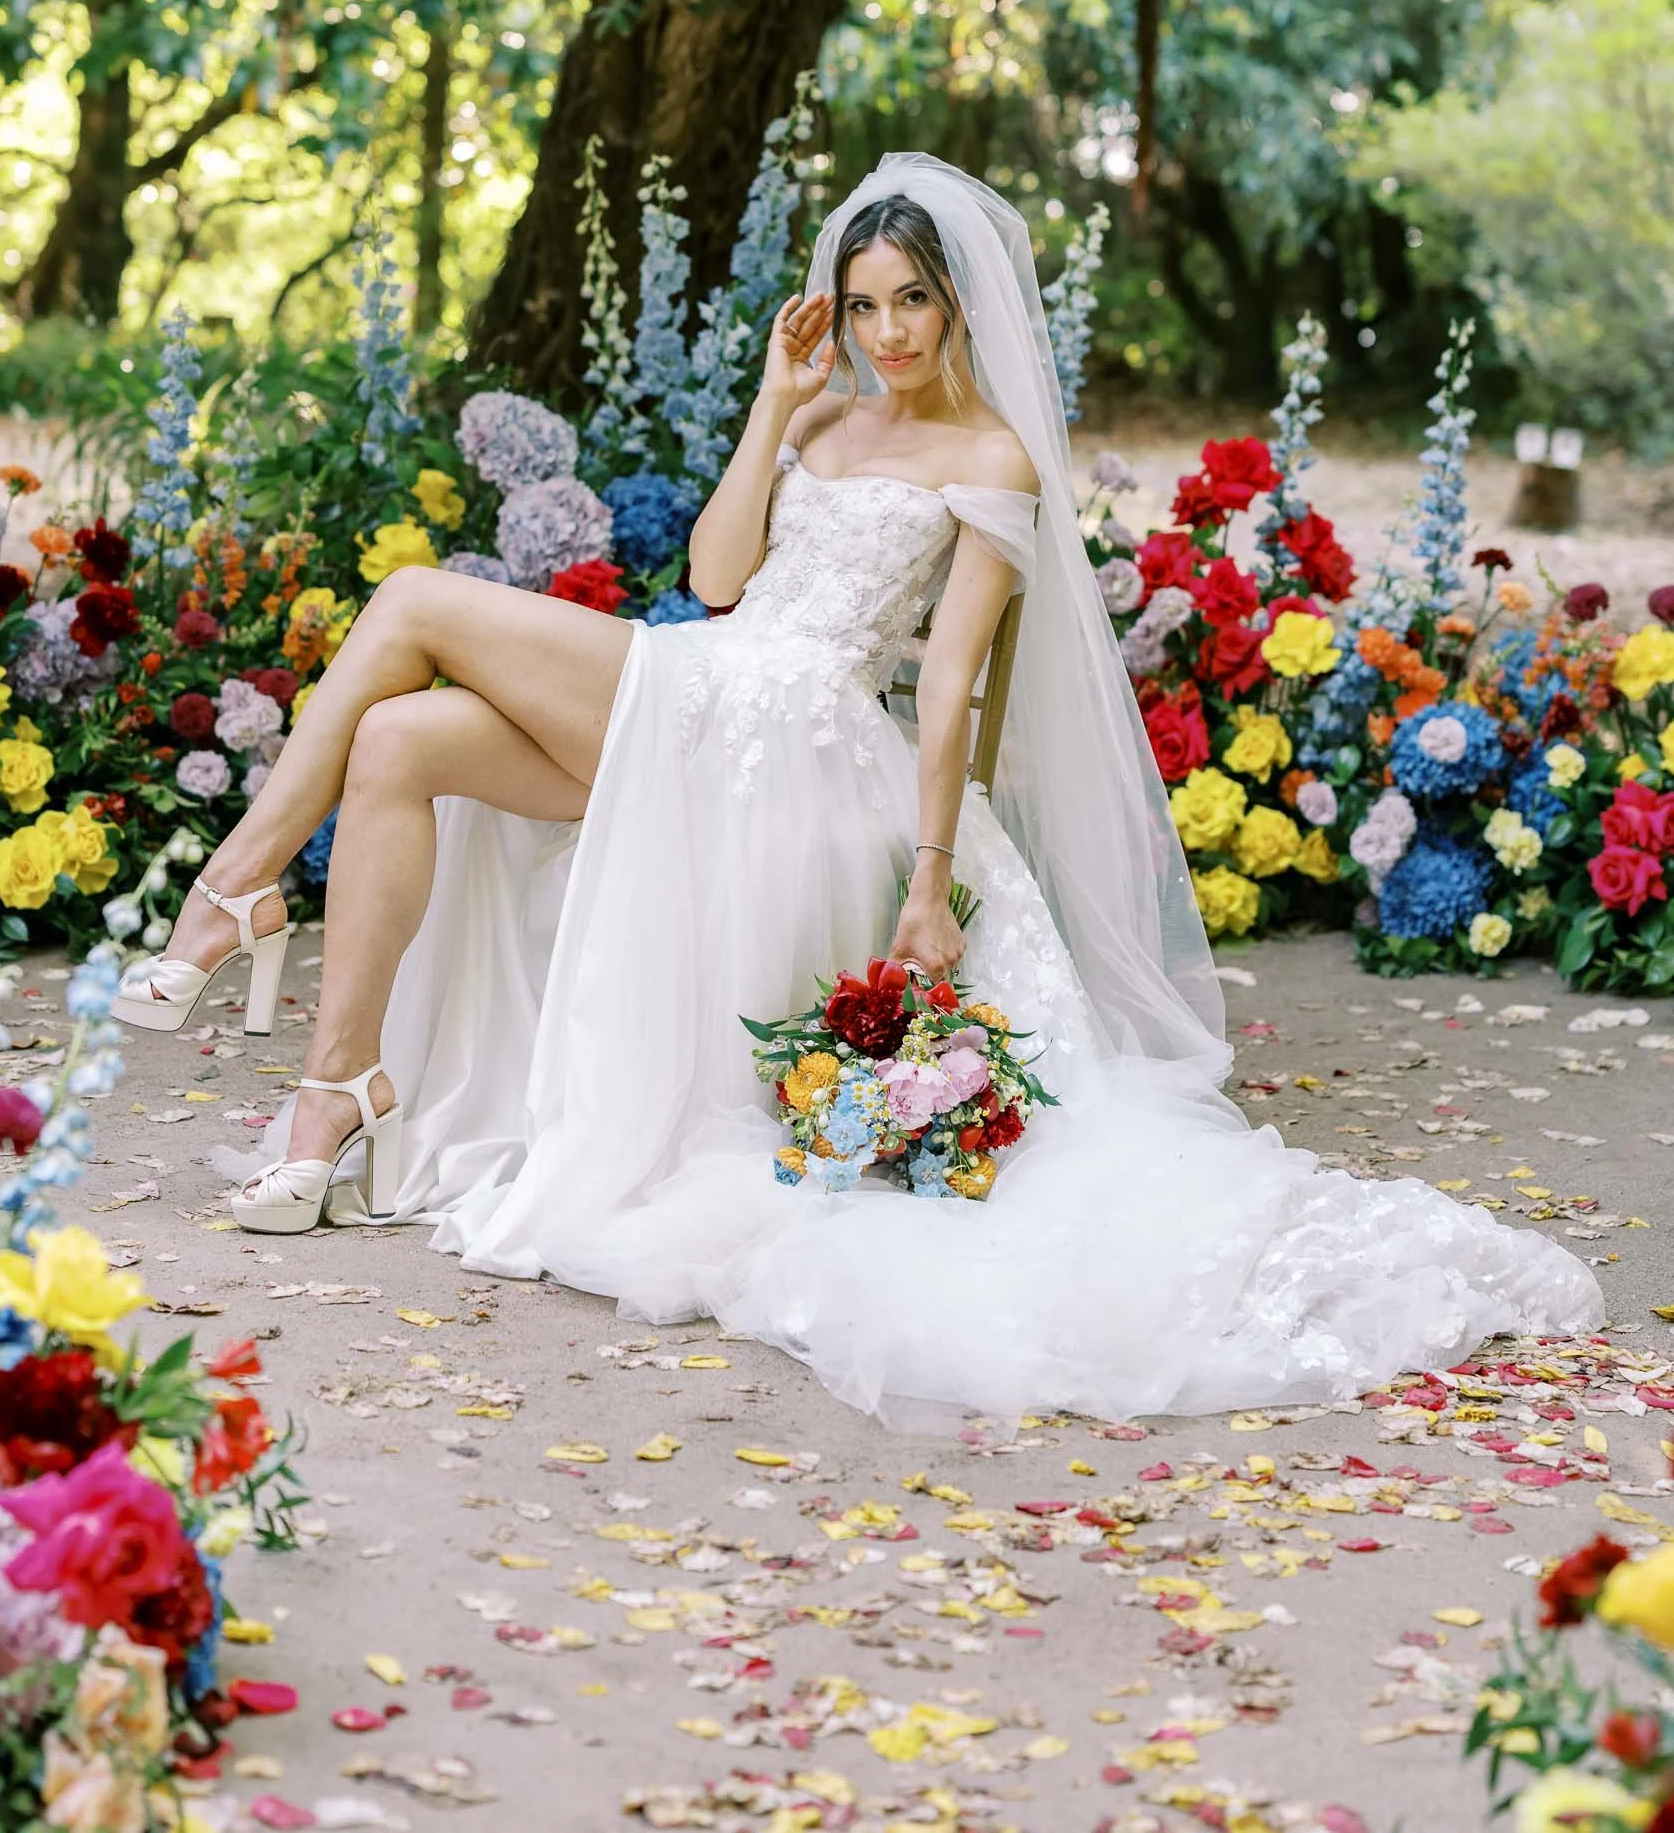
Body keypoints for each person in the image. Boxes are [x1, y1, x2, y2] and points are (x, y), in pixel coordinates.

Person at [119, 154, 1601, 1428]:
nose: (887, 332)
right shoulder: (822, 419)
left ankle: (228, 897)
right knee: (397, 743)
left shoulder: (990, 453)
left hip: (800, 730)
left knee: (413, 601)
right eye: (866, 303)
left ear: (958, 306)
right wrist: (773, 403)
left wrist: (926, 873)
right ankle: (334, 1100)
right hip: (715, 683)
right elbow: (709, 582)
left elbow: (947, 679)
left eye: (913, 304)